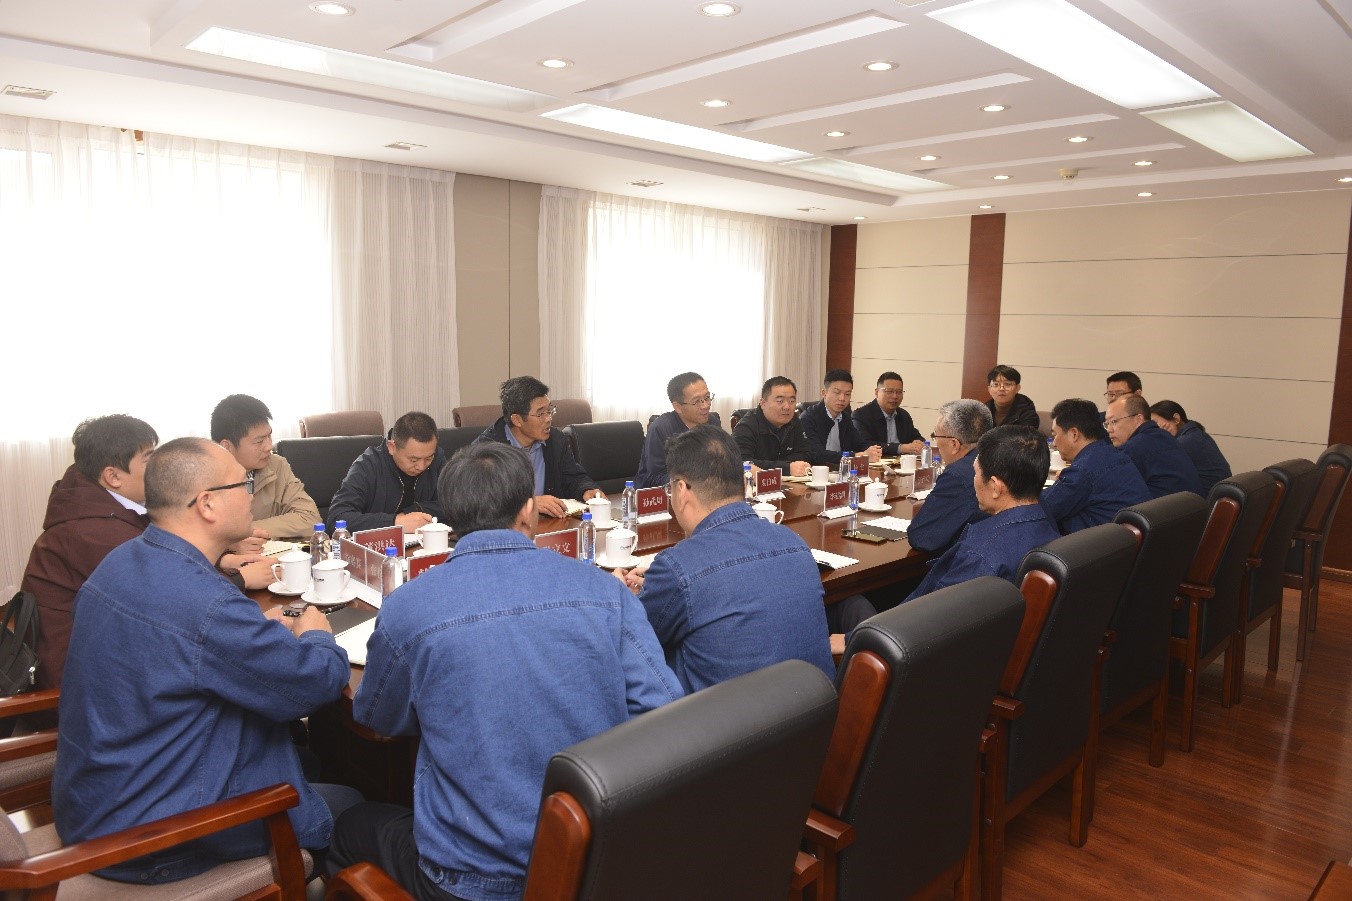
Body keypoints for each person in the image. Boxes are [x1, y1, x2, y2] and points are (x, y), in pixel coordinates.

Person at [328, 443, 682, 900]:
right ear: (528, 510)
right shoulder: (604, 590)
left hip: (469, 879)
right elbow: (664, 712)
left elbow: (376, 718)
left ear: (449, 517)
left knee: (350, 825)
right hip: (593, 860)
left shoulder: (408, 606)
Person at [53, 438, 358, 885]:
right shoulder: (205, 604)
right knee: (352, 802)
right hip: (155, 837)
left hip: (97, 802)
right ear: (208, 503)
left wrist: (250, 635)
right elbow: (314, 684)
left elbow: (178, 649)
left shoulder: (121, 561)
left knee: (309, 763)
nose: (251, 494)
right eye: (243, 483)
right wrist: (316, 632)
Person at [21, 416, 267, 696]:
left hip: (112, 656)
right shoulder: (91, 531)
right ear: (113, 476)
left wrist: (222, 557)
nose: (159, 467)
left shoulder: (97, 504)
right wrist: (239, 578)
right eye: (149, 458)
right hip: (84, 685)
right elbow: (171, 590)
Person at [618, 425, 837, 692]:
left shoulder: (678, 567)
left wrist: (619, 595)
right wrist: (660, 586)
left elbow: (632, 639)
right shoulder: (795, 543)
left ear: (682, 490)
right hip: (815, 709)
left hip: (729, 718)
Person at [906, 425, 1061, 601]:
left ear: (995, 487)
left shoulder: (980, 556)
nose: (974, 480)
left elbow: (934, 613)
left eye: (976, 473)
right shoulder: (1051, 530)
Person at [473, 376, 604, 517]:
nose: (548, 418)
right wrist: (529, 502)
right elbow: (482, 500)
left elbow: (572, 477)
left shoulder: (556, 440)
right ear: (517, 420)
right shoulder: (487, 451)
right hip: (507, 527)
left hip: (550, 524)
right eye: (540, 413)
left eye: (549, 410)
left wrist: (586, 490)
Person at [211, 394, 321, 539]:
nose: (269, 446)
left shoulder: (276, 465)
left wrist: (242, 534)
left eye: (269, 436)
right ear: (226, 446)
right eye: (259, 441)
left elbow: (310, 520)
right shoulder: (201, 477)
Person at [1041, 398, 1151, 533]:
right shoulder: (1113, 454)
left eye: (1055, 435)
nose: (1054, 443)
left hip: (1101, 542)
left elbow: (1042, 508)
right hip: (1126, 540)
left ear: (1074, 434)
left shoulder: (1083, 470)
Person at [329, 411, 446, 532]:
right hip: (377, 542)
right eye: (414, 460)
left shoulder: (437, 460)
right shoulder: (367, 467)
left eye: (428, 458)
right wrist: (395, 522)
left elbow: (454, 505)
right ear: (392, 447)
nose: (421, 467)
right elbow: (336, 518)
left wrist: (413, 511)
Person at [907, 399, 993, 555]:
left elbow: (921, 537)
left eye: (935, 436)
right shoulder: (1000, 458)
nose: (936, 443)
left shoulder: (958, 475)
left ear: (954, 444)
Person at [634, 371, 722, 488]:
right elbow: (654, 477)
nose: (705, 405)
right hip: (660, 495)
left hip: (706, 491)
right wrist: (694, 479)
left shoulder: (713, 423)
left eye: (707, 397)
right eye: (696, 401)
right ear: (678, 407)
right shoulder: (661, 429)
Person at [1105, 394, 1204, 498]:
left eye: (1114, 421)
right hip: (1190, 506)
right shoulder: (1164, 436)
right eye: (1107, 424)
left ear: (1138, 419)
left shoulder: (1134, 448)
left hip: (1166, 507)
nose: (1109, 430)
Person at [731, 376, 823, 475]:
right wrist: (786, 467)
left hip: (790, 482)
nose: (787, 407)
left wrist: (777, 464)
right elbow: (741, 462)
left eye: (792, 401)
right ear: (763, 403)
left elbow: (807, 455)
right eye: (780, 401)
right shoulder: (746, 426)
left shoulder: (793, 421)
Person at [1150, 400, 1232, 494]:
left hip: (1208, 498)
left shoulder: (1186, 441)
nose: (1154, 430)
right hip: (1216, 494)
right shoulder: (1195, 433)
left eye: (1156, 423)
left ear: (1176, 419)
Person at [801, 368, 882, 463]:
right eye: (837, 392)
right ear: (824, 393)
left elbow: (859, 444)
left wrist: (872, 450)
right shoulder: (808, 418)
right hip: (816, 470)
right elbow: (817, 454)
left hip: (842, 469)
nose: (842, 398)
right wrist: (856, 456)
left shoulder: (845, 418)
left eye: (847, 394)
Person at [852, 372, 925, 456]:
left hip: (902, 462)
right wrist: (900, 448)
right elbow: (864, 445)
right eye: (889, 391)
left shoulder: (903, 415)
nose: (895, 396)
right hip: (876, 462)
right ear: (877, 392)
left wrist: (919, 443)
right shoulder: (860, 415)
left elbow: (917, 437)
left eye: (899, 392)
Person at [985, 364, 1041, 429]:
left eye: (1007, 384)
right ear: (989, 389)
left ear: (1017, 388)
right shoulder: (982, 412)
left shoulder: (1028, 415)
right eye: (996, 384)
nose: (1001, 388)